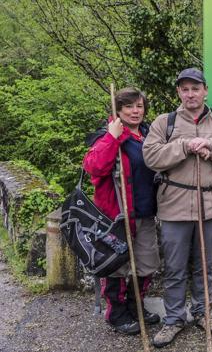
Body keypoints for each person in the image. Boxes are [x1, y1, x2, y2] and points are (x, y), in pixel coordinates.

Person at [143, 68, 212, 348]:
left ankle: (203, 313)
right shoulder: (166, 123)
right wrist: (185, 146)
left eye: (195, 88)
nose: (190, 94)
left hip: (209, 206)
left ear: (205, 90)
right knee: (174, 267)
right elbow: (150, 156)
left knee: (205, 266)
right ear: (178, 92)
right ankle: (174, 319)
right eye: (184, 89)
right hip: (174, 205)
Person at [83, 87, 161, 335]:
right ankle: (116, 312)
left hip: (145, 212)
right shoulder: (107, 135)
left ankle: (135, 306)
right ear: (118, 109)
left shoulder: (148, 134)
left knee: (146, 264)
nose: (135, 111)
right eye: (129, 106)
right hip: (115, 215)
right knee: (116, 265)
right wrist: (112, 137)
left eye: (139, 106)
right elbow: (94, 167)